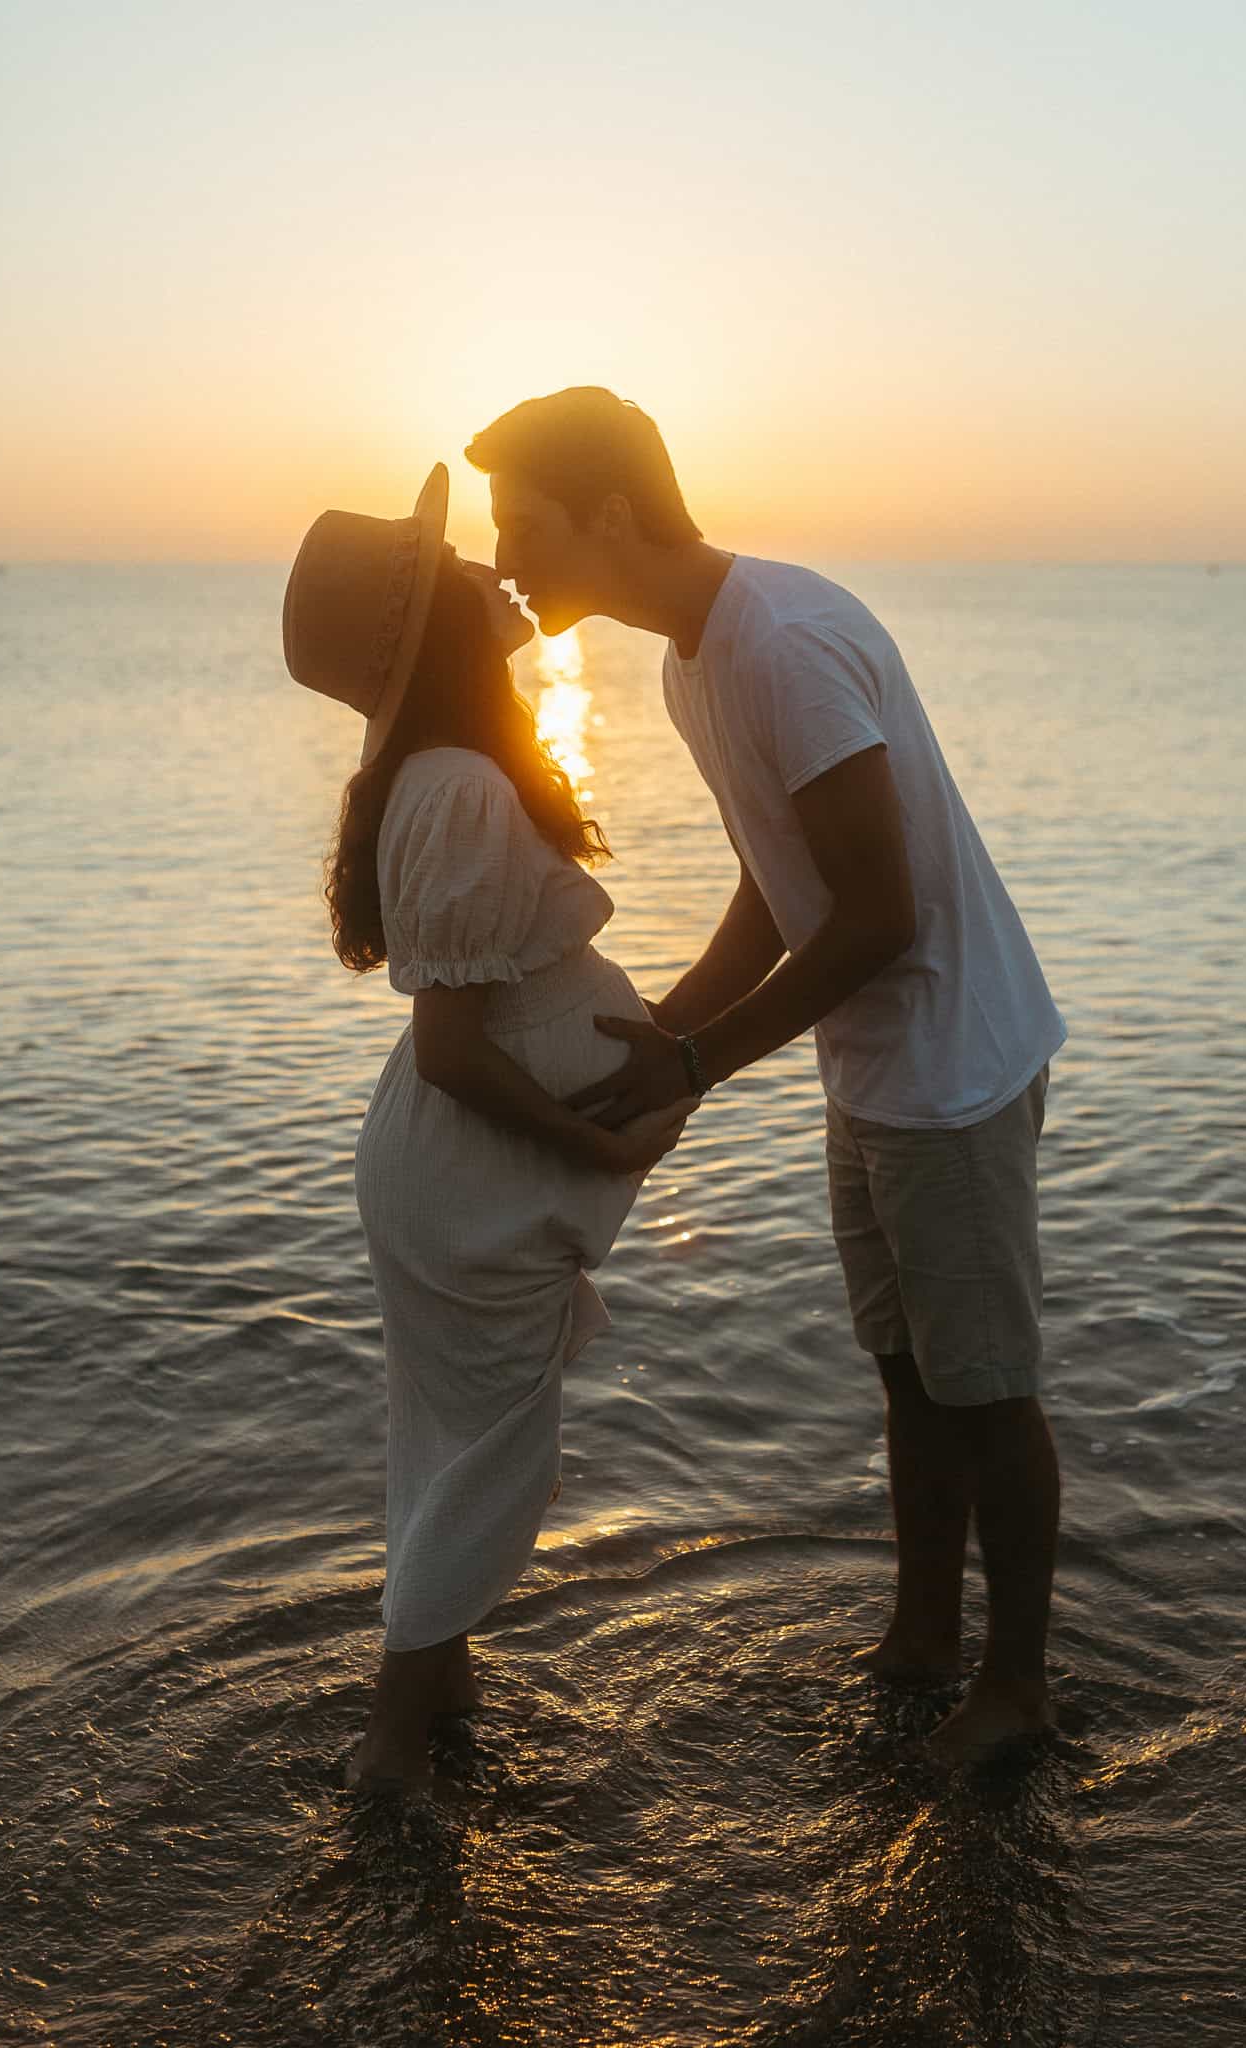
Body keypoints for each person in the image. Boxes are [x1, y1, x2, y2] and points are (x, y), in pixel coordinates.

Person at [465, 391, 1067, 1757]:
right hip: (873, 1063)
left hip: (951, 1065)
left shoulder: (782, 643)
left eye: (523, 522)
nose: (507, 553)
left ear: (608, 513)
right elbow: (777, 875)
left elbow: (875, 916)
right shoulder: (695, 658)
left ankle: (1017, 1690)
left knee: (983, 1386)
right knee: (910, 1373)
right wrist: (669, 1029)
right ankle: (922, 1639)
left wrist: (695, 1061)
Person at [282, 466, 692, 1794]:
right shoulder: (456, 782)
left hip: (452, 1179)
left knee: (448, 1449)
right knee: (486, 1467)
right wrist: (602, 1146)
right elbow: (458, 1052)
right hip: (474, 1181)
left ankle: (442, 1713)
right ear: (432, 625)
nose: (482, 574)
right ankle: (392, 1760)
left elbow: (469, 1027)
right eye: (450, 571)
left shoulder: (442, 768)